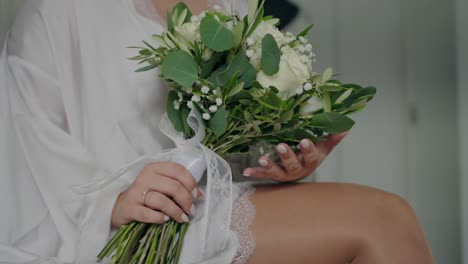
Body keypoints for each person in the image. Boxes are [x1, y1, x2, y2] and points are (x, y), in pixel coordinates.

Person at [0, 0, 435, 263]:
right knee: (383, 221)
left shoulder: (234, 9)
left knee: (386, 220)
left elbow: (231, 151)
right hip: (111, 233)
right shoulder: (56, 14)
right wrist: (113, 204)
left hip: (211, 207)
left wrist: (281, 165)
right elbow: (22, 167)